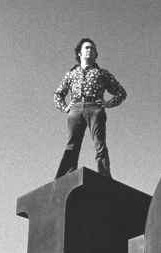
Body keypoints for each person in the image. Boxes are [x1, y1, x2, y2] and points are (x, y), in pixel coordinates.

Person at [54, 38, 126, 179]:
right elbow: (58, 94)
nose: (90, 50)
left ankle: (104, 176)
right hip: (75, 109)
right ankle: (66, 177)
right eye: (86, 48)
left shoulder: (102, 73)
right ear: (79, 53)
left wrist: (108, 103)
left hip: (95, 108)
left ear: (95, 54)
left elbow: (121, 92)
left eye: (92, 49)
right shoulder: (71, 73)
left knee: (100, 143)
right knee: (72, 144)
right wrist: (64, 107)